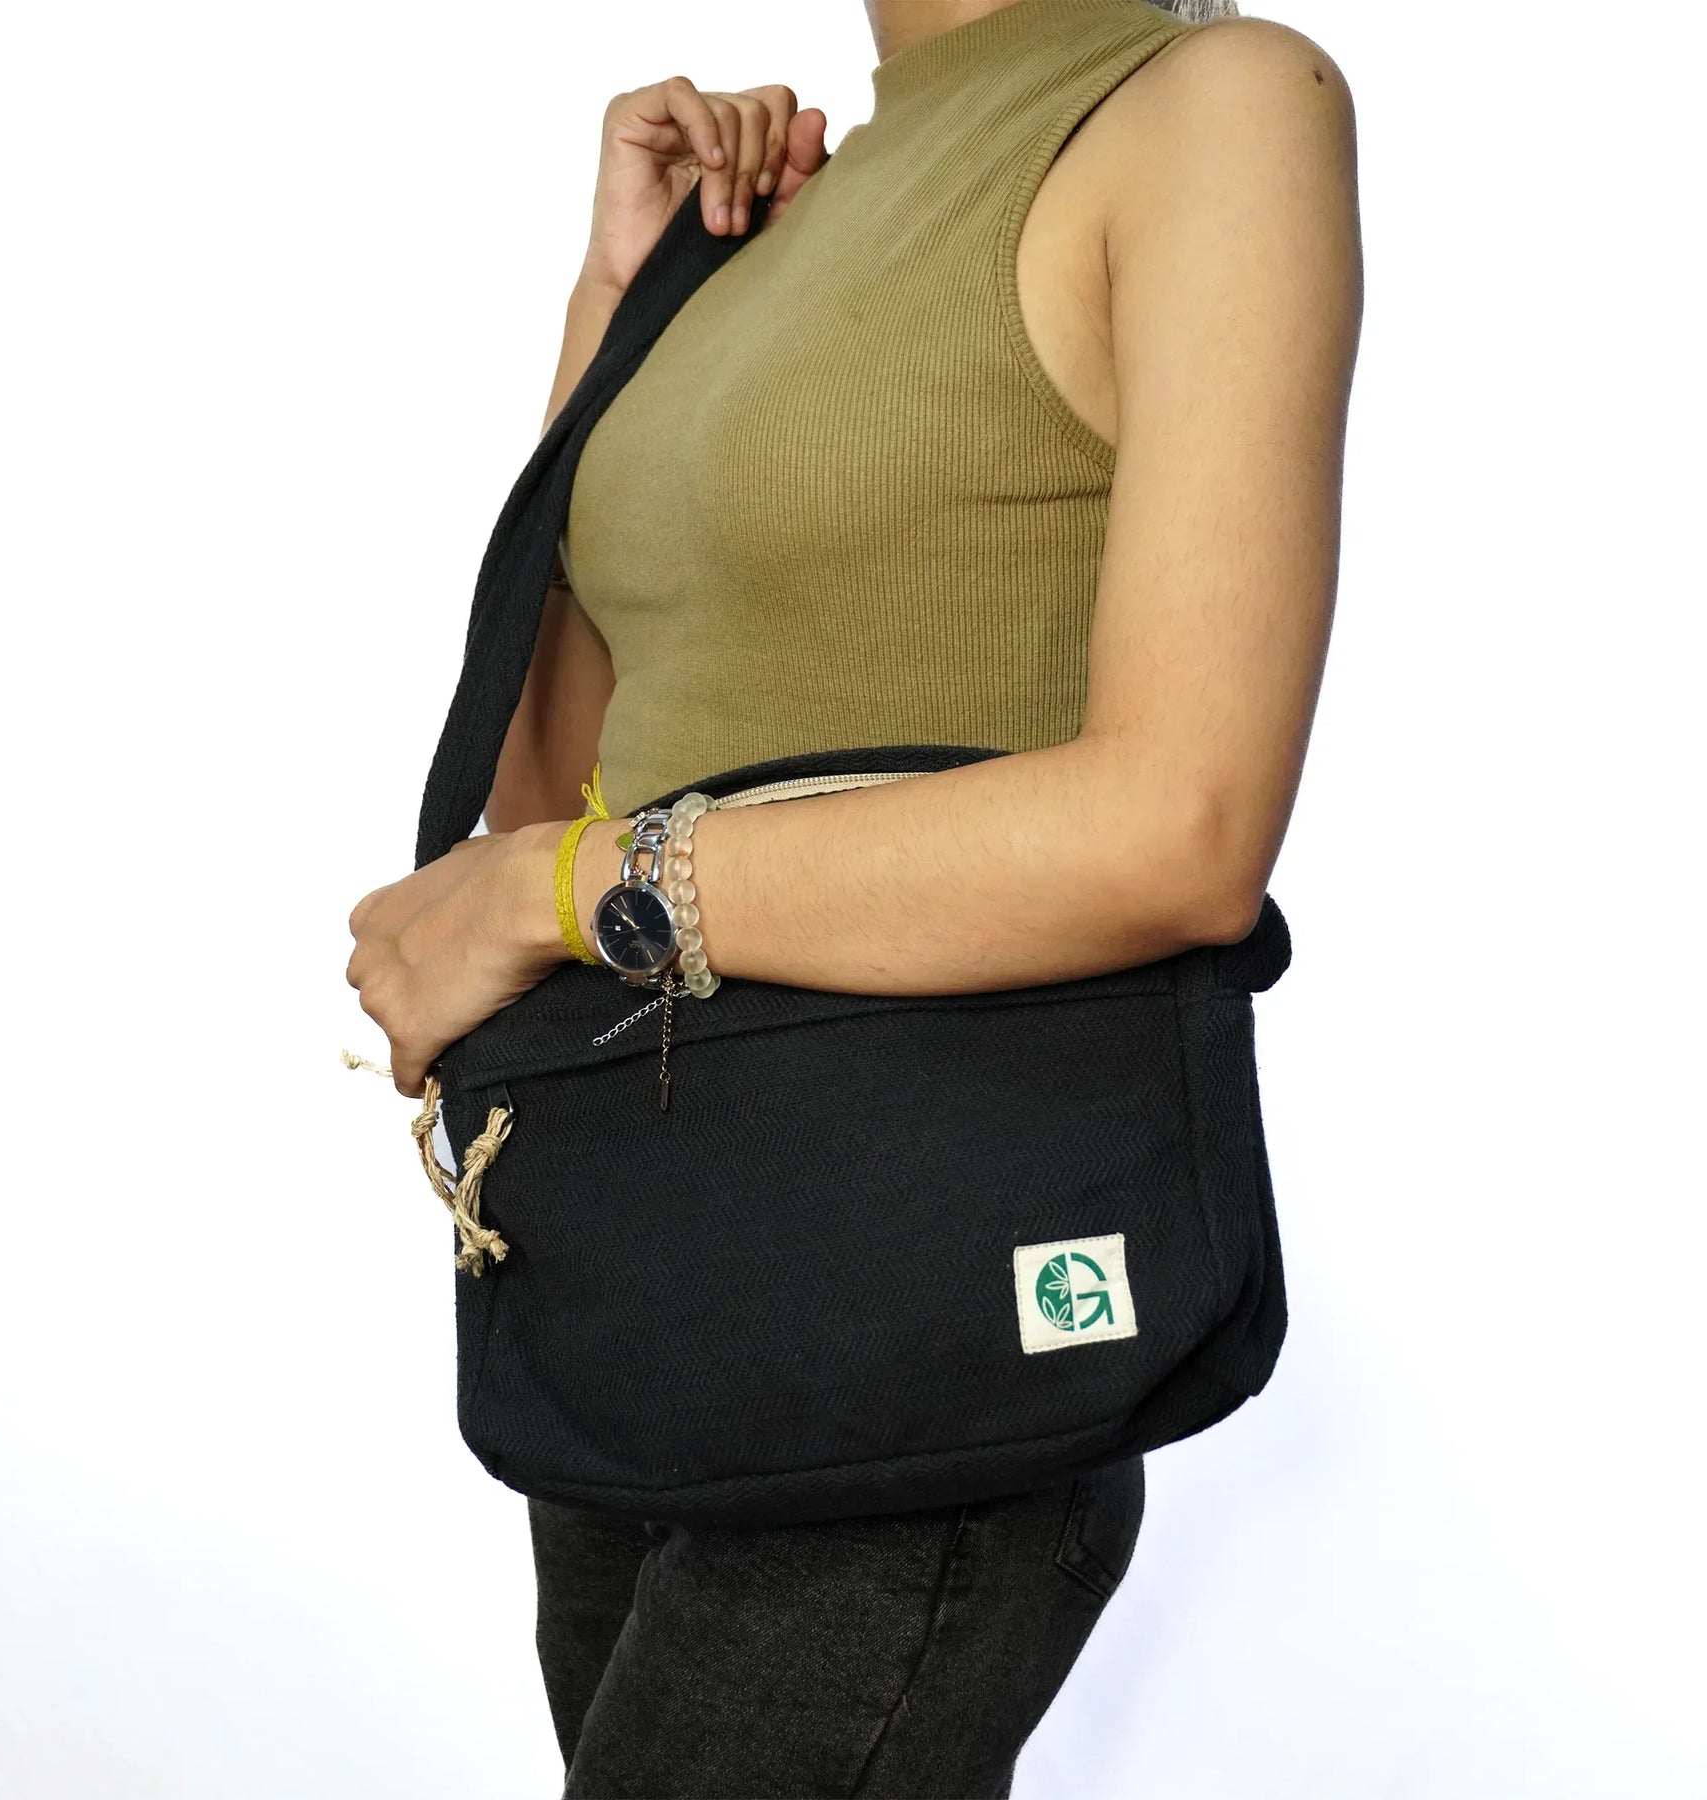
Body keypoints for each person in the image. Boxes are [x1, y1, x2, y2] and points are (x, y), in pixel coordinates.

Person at [346, 0, 1362, 1790]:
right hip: (651, 1271)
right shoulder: (788, 202)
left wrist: (544, 897)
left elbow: (1180, 830)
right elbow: (567, 786)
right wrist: (616, 301)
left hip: (923, 1287)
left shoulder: (1206, 103)